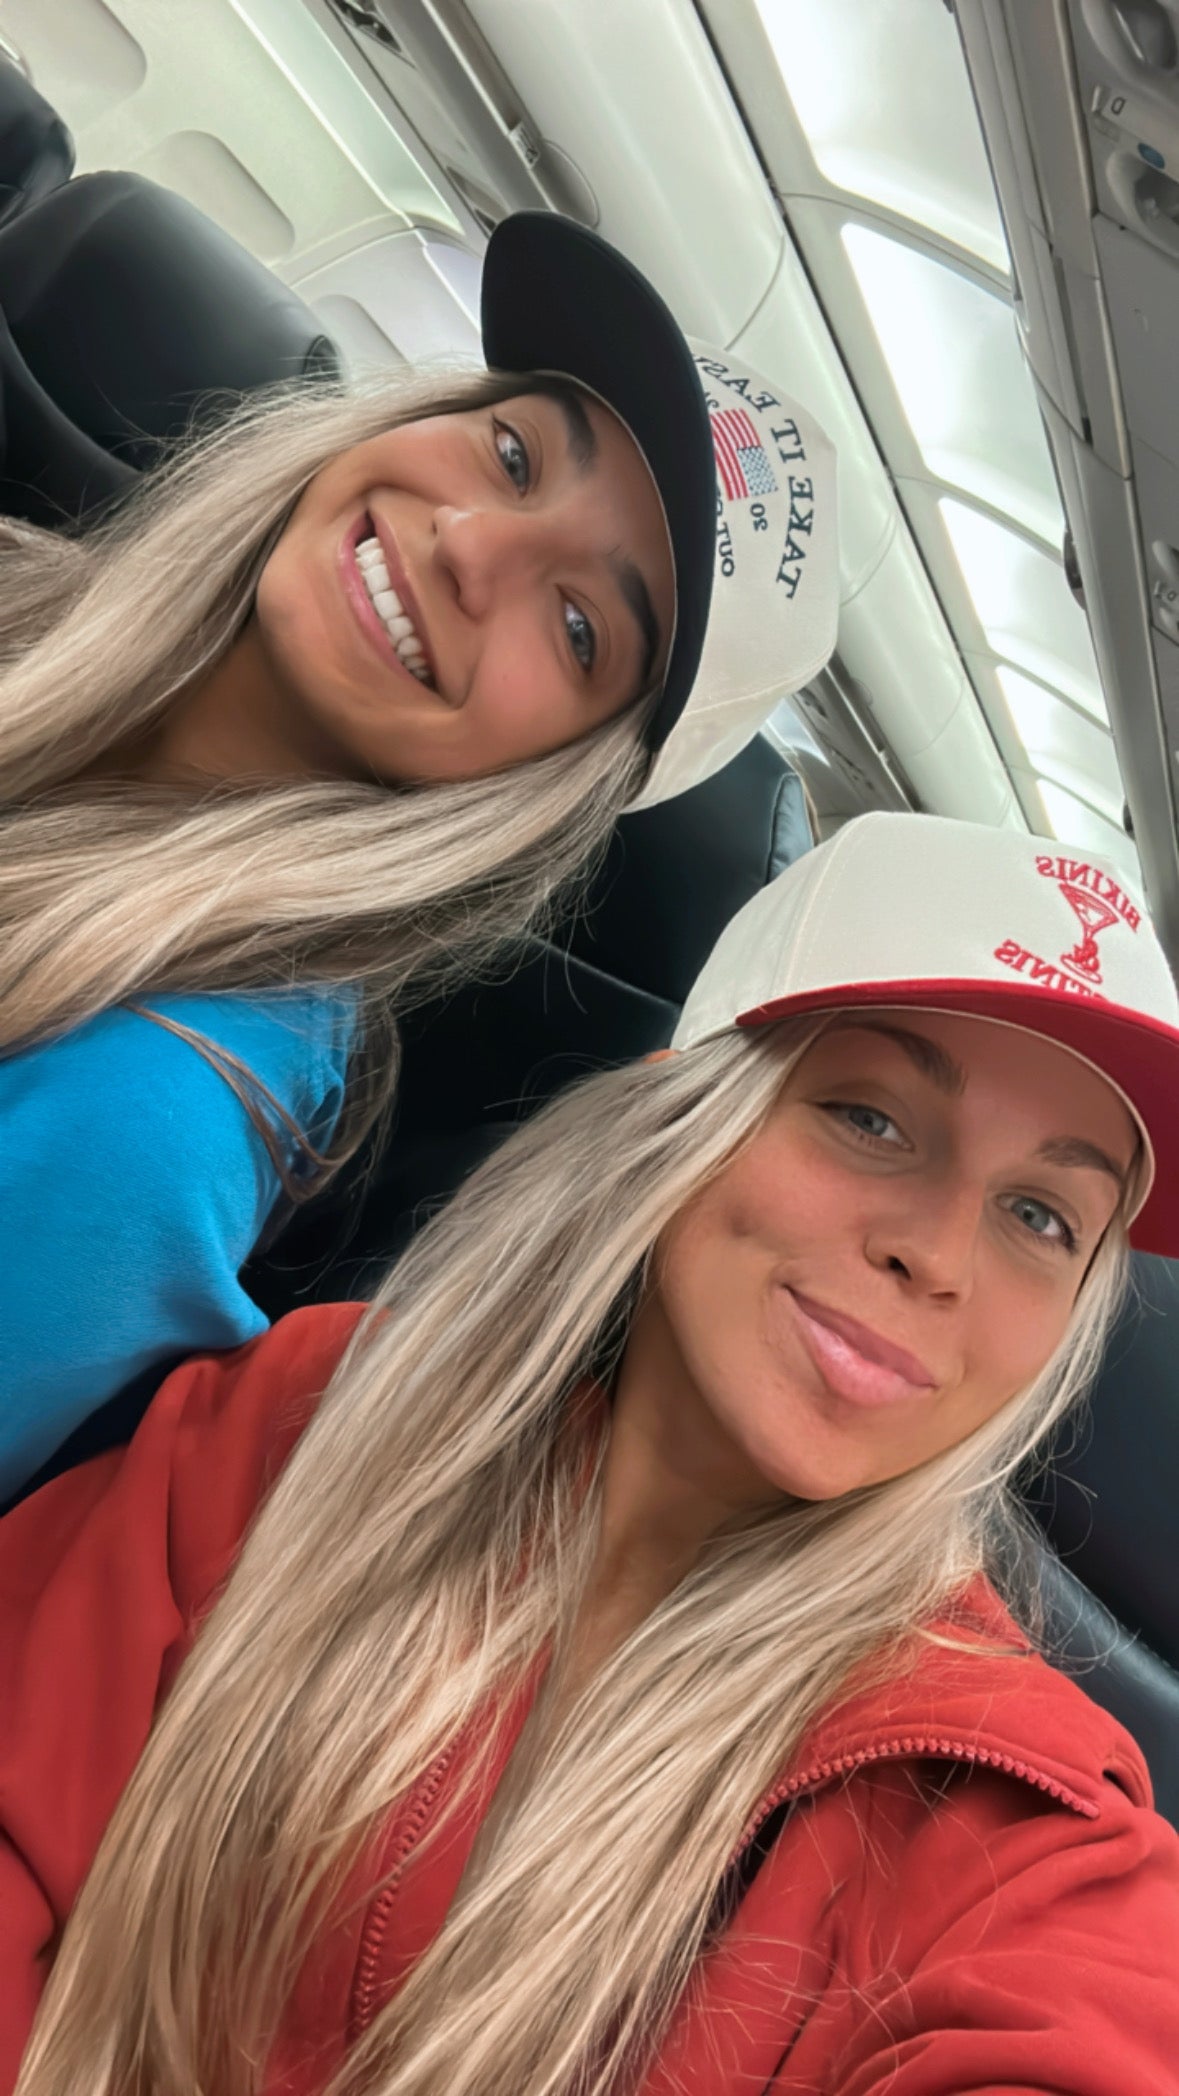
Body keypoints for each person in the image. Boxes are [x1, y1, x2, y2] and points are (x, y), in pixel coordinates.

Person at [3, 809, 1177, 2096]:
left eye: (1040, 1215)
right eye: (872, 1119)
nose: (938, 1254)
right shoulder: (312, 1409)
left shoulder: (1007, 1807)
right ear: (687, 1099)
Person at [0, 209, 839, 1503]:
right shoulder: (23, 587)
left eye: (578, 627)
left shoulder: (150, 1111)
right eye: (513, 452)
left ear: (555, 779)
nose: (469, 543)